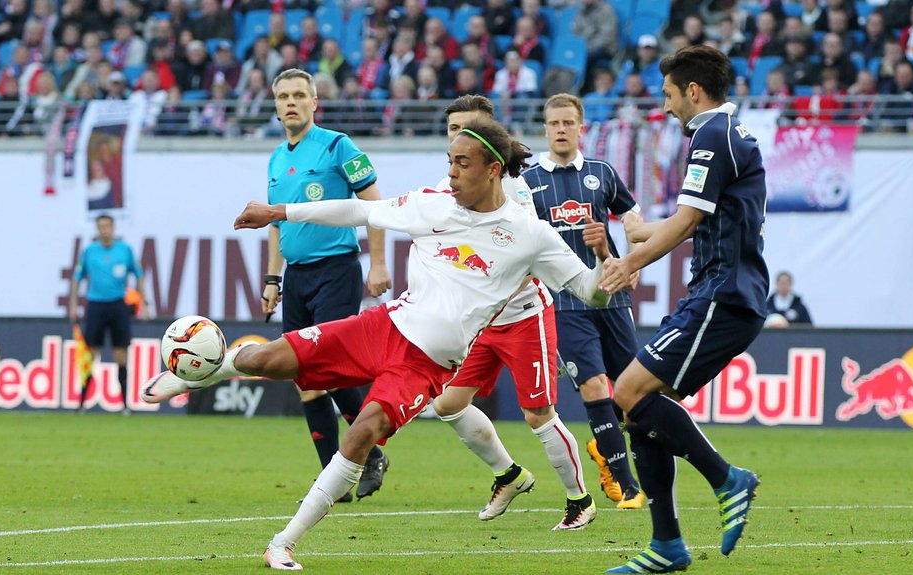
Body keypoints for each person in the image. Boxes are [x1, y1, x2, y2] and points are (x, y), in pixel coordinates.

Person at [140, 118, 616, 570]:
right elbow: (360, 209)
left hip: (426, 365)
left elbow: (589, 290)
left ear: (494, 169)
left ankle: (282, 543)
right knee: (268, 357)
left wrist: (603, 261)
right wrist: (279, 212)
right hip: (383, 326)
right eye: (449, 160)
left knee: (363, 430)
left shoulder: (529, 234)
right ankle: (205, 371)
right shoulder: (432, 203)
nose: (450, 173)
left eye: (462, 163)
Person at [594, 45, 769, 573]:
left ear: (693, 91)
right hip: (720, 292)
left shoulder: (712, 134)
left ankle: (726, 479)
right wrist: (642, 231)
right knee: (641, 412)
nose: (666, 106)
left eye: (669, 94)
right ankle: (667, 545)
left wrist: (632, 260)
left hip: (723, 294)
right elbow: (698, 214)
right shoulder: (726, 136)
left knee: (626, 391)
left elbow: (690, 220)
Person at [430, 95, 595, 531]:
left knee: (537, 414)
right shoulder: (451, 190)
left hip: (523, 316)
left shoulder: (515, 191)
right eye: (451, 130)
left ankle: (580, 500)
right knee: (447, 403)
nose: (457, 137)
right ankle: (509, 475)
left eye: (466, 128)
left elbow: (523, 260)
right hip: (484, 321)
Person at [261, 68, 393, 503]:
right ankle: (331, 477)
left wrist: (378, 263)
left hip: (336, 269)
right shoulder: (277, 157)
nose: (291, 102)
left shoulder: (339, 145)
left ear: (315, 102)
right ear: (276, 104)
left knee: (333, 366)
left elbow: (374, 206)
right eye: (284, 97)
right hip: (296, 276)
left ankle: (370, 452)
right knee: (306, 376)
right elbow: (277, 222)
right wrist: (272, 279)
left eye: (300, 95)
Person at [522, 93, 646, 510]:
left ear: (580, 127)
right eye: (553, 123)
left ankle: (604, 447)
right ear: (545, 128)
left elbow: (631, 218)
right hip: (564, 301)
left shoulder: (601, 173)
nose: (560, 130)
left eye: (567, 123)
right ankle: (628, 485)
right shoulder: (527, 180)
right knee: (594, 384)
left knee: (633, 390)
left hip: (611, 295)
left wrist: (633, 260)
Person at [68, 214, 146, 415]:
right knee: (90, 353)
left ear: (113, 228)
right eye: (100, 226)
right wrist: (73, 303)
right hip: (95, 306)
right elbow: (77, 278)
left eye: (107, 226)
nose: (104, 230)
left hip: (118, 305)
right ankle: (82, 403)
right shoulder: (89, 252)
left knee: (121, 354)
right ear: (97, 229)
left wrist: (143, 304)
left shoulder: (125, 250)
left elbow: (139, 276)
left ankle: (125, 405)